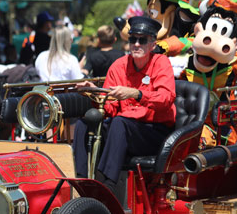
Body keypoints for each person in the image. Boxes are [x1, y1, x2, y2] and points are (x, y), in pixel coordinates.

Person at [72, 16, 176, 194]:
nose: (136, 44)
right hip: (124, 128)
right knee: (84, 124)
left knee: (120, 123)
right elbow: (110, 108)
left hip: (154, 130)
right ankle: (78, 181)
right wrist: (96, 94)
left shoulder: (161, 63)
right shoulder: (118, 65)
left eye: (142, 40)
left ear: (152, 44)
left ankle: (107, 186)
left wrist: (137, 94)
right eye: (132, 39)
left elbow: (166, 99)